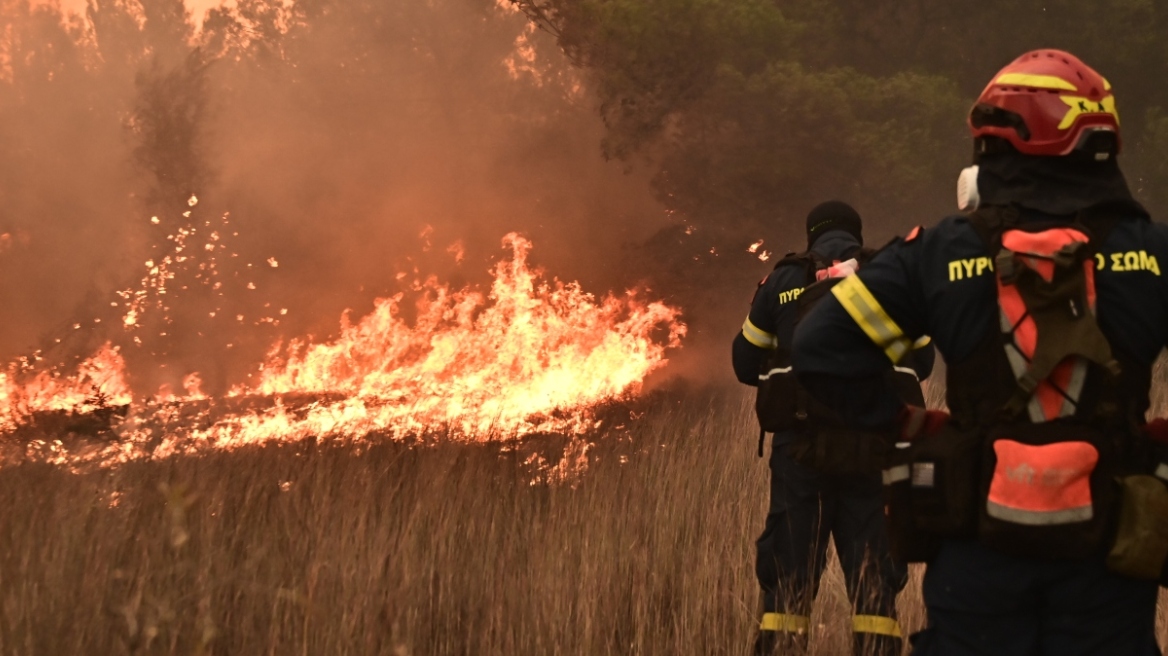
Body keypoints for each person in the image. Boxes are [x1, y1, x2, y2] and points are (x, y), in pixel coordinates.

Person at [791, 49, 1165, 655]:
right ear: (1099, 141)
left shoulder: (938, 253)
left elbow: (819, 344)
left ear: (994, 145)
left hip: (978, 546)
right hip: (1111, 553)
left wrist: (903, 422)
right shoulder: (1150, 253)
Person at [732, 201, 933, 656]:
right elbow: (922, 361)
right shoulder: (889, 274)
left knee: (788, 583)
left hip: (800, 454)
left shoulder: (781, 281)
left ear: (811, 237)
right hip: (876, 449)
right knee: (875, 586)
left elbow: (745, 363)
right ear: (857, 236)